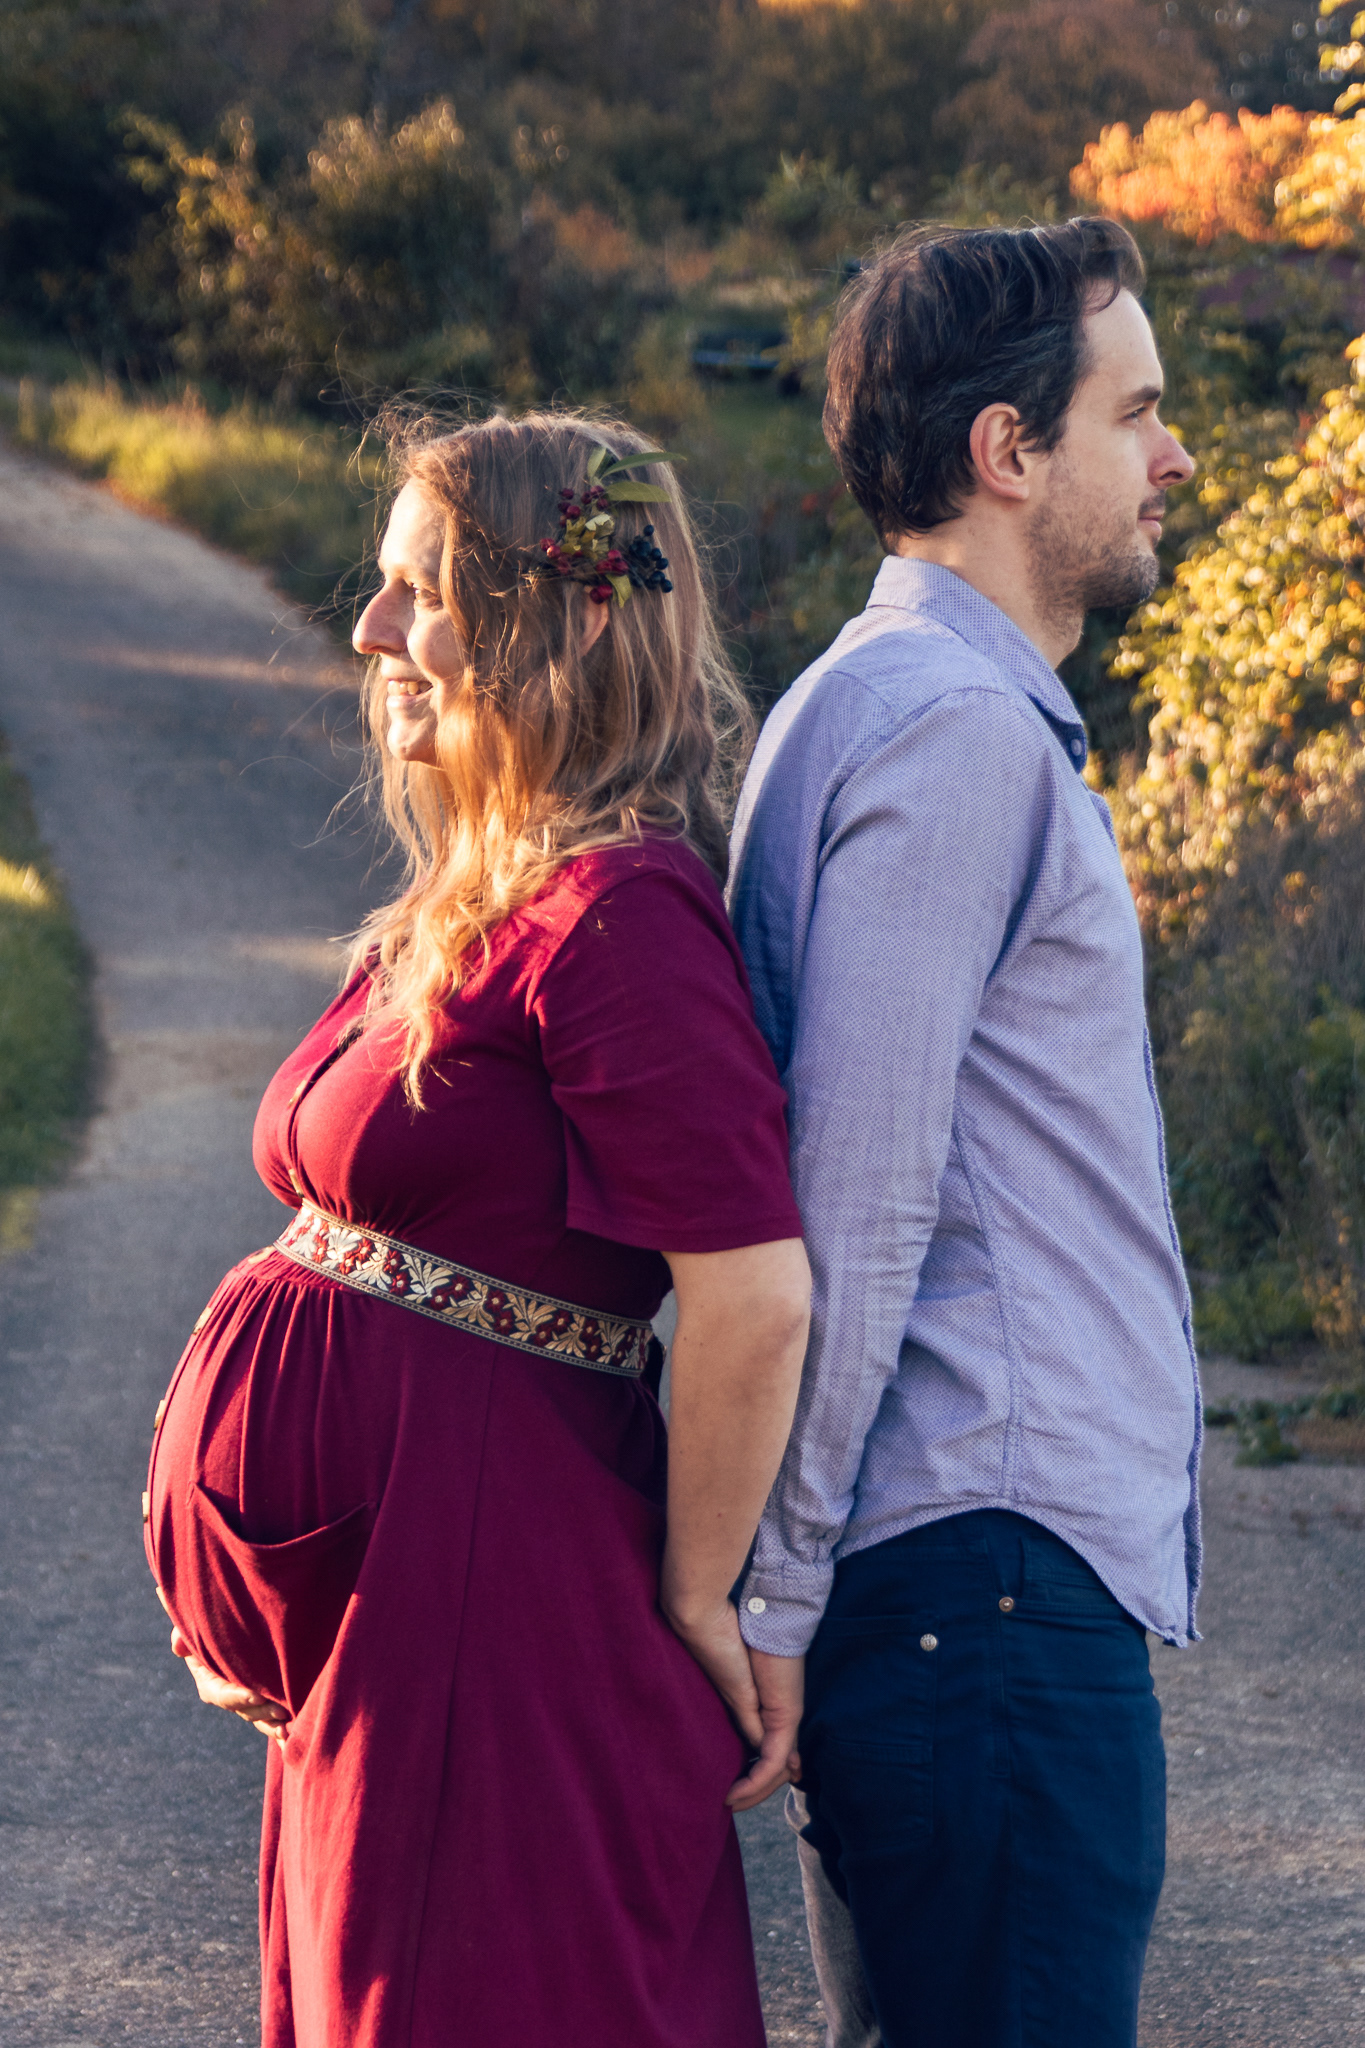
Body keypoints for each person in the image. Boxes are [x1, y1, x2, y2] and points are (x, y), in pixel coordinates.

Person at [143, 410, 812, 2048]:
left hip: (494, 1628)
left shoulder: (620, 917)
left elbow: (752, 1294)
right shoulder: (489, 890)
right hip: (389, 1626)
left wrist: (698, 1597)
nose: (372, 628)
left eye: (423, 591)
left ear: (559, 622)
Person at [726, 219, 1202, 2048]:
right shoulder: (949, 737)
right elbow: (857, 1199)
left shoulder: (876, 702)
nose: (1171, 457)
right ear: (1007, 451)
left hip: (957, 1591)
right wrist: (782, 1587)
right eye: (1132, 414)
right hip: (981, 1588)